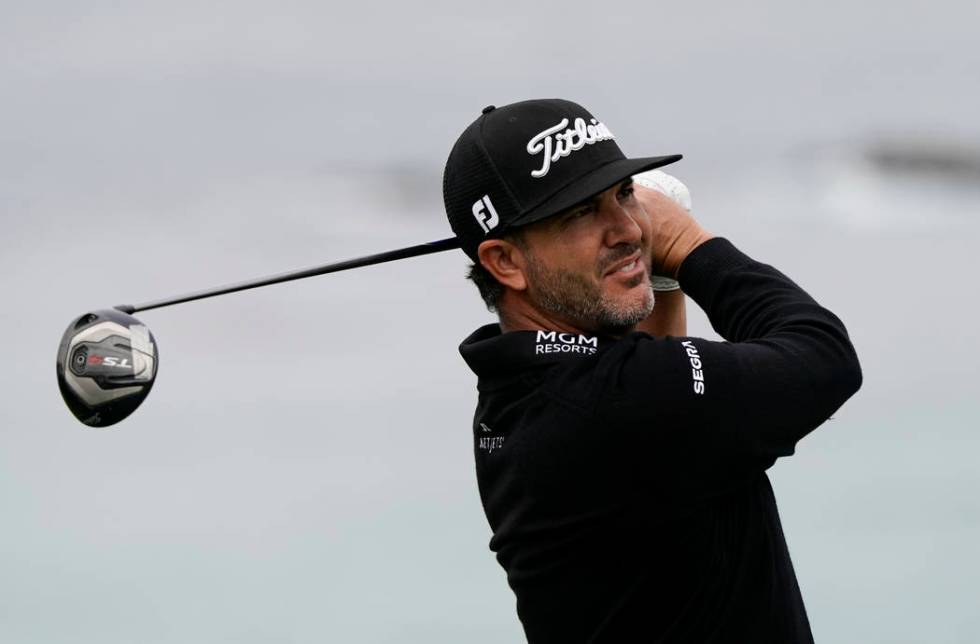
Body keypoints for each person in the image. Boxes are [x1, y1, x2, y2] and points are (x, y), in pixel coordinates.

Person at [442, 98, 862, 643]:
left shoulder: (518, 390)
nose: (628, 228)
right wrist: (688, 246)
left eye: (622, 195)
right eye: (579, 213)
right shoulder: (618, 403)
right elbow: (823, 358)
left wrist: (656, 283)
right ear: (505, 262)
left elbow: (664, 405)